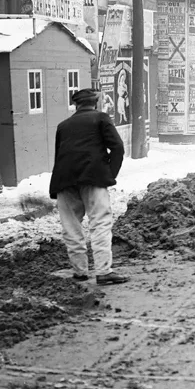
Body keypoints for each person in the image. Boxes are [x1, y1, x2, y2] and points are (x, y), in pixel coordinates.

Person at [49, 88, 127, 285]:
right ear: (96, 103)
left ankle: (80, 271)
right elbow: (117, 147)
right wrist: (109, 175)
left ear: (75, 105)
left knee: (71, 226)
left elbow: (59, 154)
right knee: (100, 222)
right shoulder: (101, 118)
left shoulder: (63, 125)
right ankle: (103, 271)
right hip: (93, 177)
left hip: (64, 180)